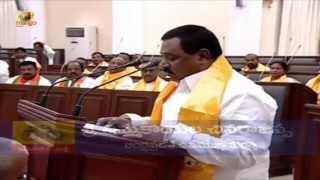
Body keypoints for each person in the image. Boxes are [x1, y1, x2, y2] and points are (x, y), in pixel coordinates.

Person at [96, 25, 277, 180]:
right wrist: (134, 122)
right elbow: (176, 124)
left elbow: (244, 153)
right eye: (163, 57)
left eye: (171, 58)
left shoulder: (243, 94)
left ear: (202, 57)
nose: (163, 65)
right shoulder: (181, 84)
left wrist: (171, 136)